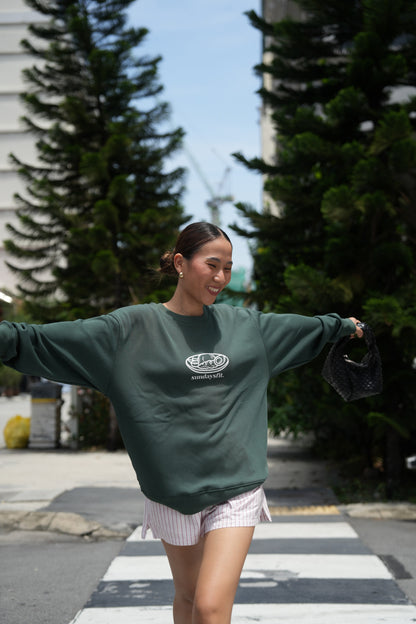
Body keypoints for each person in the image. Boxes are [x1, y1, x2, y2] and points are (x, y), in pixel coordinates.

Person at [0, 222, 363, 624]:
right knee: (188, 599)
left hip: (235, 489)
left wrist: (344, 326)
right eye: (212, 265)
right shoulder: (128, 331)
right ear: (180, 263)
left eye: (228, 267)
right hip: (172, 492)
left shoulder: (246, 329)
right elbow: (36, 339)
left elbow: (308, 327)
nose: (221, 278)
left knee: (209, 607)